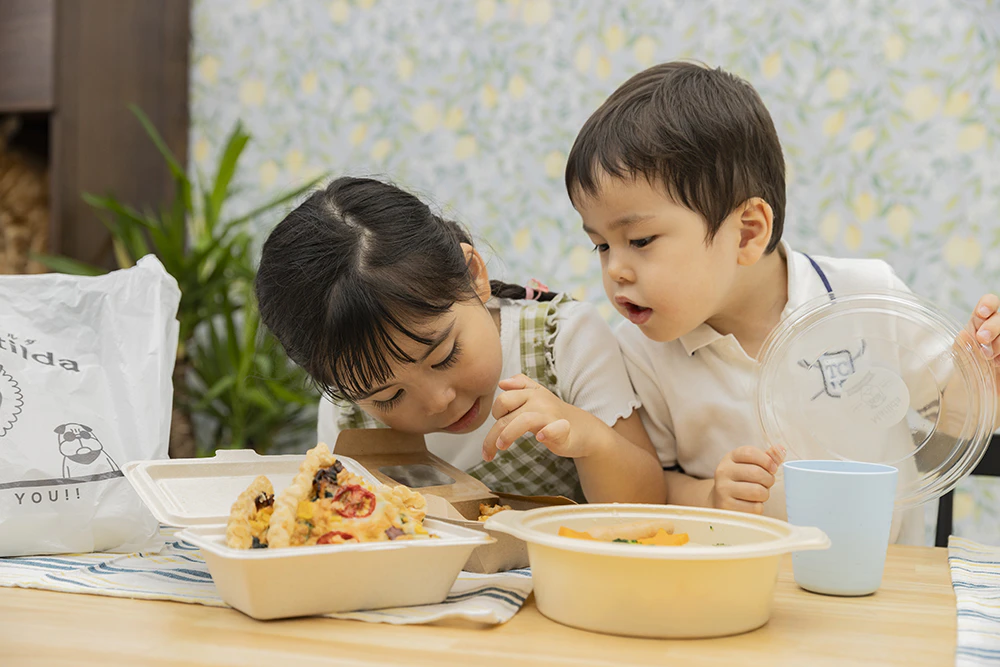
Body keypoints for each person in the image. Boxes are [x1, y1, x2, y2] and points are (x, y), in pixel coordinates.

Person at [564, 61, 999, 543]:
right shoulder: (641, 353)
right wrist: (711, 497)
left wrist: (985, 374)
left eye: (641, 240)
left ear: (748, 231)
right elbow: (658, 485)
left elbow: (958, 420)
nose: (615, 270)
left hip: (882, 587)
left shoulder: (864, 296)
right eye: (602, 246)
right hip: (747, 592)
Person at [254, 176, 666, 504]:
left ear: (474, 276)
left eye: (444, 355)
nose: (437, 401)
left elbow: (649, 505)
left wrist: (589, 440)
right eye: (389, 396)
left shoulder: (561, 341)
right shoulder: (347, 410)